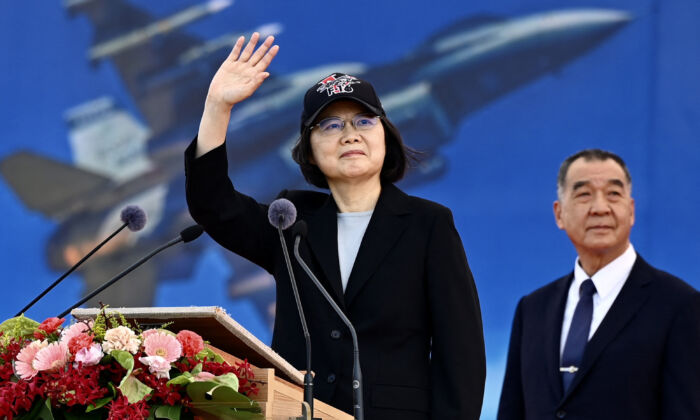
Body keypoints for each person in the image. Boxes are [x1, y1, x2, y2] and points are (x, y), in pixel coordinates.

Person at [184, 33, 485, 419]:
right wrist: (216, 107)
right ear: (308, 150)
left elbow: (460, 352)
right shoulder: (289, 220)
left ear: (386, 138)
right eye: (330, 125)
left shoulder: (429, 225)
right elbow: (214, 205)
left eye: (364, 120)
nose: (350, 134)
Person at [497, 149, 700, 420]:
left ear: (631, 211)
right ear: (559, 214)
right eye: (583, 194)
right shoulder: (532, 309)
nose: (600, 207)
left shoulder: (678, 305)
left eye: (614, 194)